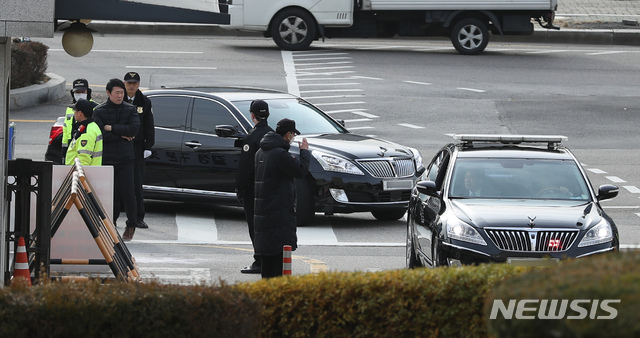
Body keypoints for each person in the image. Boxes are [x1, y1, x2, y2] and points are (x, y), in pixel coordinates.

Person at [254, 118, 310, 278]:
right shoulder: (279, 154)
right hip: (277, 213)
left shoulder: (260, 152)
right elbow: (300, 171)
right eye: (292, 135)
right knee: (279, 259)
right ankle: (277, 296)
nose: (292, 138)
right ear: (288, 134)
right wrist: (304, 152)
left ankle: (266, 296)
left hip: (263, 212)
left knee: (267, 260)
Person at [93, 78, 140, 241]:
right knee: (109, 193)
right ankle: (110, 224)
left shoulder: (130, 109)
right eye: (117, 93)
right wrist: (121, 134)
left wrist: (111, 128)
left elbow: (134, 129)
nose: (120, 96)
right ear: (108, 93)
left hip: (126, 158)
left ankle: (131, 223)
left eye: (122, 93)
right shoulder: (99, 111)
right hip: (107, 157)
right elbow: (100, 134)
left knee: (128, 192)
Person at [235, 99, 274, 274]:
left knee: (255, 225)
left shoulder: (252, 137)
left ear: (252, 115)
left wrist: (240, 188)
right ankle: (269, 259)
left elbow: (245, 167)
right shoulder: (273, 135)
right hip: (271, 188)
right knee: (268, 225)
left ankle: (259, 260)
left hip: (254, 189)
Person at [123, 72, 155, 229]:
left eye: (134, 83)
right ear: (124, 84)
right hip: (121, 145)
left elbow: (149, 125)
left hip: (137, 147)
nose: (131, 86)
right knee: (117, 182)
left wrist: (148, 146)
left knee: (136, 184)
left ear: (138, 84)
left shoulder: (145, 102)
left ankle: (138, 217)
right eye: (129, 83)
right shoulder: (118, 99)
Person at [62, 78, 98, 163]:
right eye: (77, 92)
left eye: (82, 92)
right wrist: (64, 150)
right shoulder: (69, 109)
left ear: (87, 92)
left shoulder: (96, 108)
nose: (80, 94)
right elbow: (66, 130)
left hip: (86, 144)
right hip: (72, 145)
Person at [64, 99, 103, 166]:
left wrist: (78, 175)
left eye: (75, 111)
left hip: (81, 173)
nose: (74, 113)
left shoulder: (86, 132)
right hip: (88, 171)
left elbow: (84, 159)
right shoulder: (91, 126)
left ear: (80, 113)